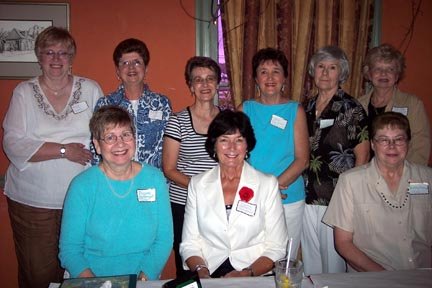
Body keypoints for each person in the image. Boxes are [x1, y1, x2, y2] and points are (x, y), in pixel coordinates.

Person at [2, 26, 103, 288]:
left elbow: (106, 134)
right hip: (34, 204)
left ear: (72, 57)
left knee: (81, 272)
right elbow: (13, 143)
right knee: (38, 275)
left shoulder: (90, 89)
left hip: (83, 201)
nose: (56, 59)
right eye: (49, 52)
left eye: (63, 53)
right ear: (39, 56)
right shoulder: (24, 93)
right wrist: (63, 150)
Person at [59, 106, 173, 280]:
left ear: (135, 139)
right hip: (92, 278)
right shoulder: (81, 186)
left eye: (126, 135)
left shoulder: (154, 179)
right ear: (97, 145)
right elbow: (70, 250)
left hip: (143, 278)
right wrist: (96, 284)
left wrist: (143, 279)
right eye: (110, 137)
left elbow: (164, 239)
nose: (120, 143)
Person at [180, 110, 288, 278]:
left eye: (239, 140)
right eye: (224, 140)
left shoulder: (267, 184)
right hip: (209, 270)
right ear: (214, 145)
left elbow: (277, 246)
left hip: (254, 271)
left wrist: (247, 273)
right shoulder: (197, 184)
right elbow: (189, 244)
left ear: (247, 145)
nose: (231, 148)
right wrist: (202, 271)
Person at [323, 112, 432, 271]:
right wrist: (385, 278)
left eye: (399, 139)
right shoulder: (351, 181)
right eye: (383, 140)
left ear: (408, 142)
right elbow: (343, 243)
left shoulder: (428, 178)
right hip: (374, 278)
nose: (392, 146)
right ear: (373, 145)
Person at [302, 46, 370, 275]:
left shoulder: (353, 109)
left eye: (332, 68)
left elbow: (363, 156)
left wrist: (355, 195)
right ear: (313, 71)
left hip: (338, 197)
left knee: (333, 263)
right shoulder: (306, 107)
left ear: (341, 73)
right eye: (321, 67)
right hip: (306, 195)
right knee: (311, 261)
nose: (325, 73)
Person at [239, 47, 309, 260]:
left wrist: (273, 189)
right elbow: (234, 155)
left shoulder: (295, 110)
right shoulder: (245, 109)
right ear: (255, 79)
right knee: (253, 257)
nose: (270, 77)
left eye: (276, 71)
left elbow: (302, 159)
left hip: (289, 197)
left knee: (285, 260)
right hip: (251, 196)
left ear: (285, 78)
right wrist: (265, 192)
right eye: (263, 71)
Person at [162, 56, 220, 277]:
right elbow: (169, 168)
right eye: (198, 79)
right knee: (189, 266)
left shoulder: (228, 120)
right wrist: (201, 188)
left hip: (220, 203)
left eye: (210, 79)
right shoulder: (177, 121)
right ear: (190, 85)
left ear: (217, 83)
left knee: (219, 262)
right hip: (183, 204)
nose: (204, 85)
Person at [92, 38, 172, 168]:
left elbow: (168, 147)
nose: (131, 68)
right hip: (115, 177)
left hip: (151, 177)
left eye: (137, 62)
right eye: (125, 63)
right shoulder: (106, 103)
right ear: (118, 71)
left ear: (146, 69)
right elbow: (96, 148)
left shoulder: (162, 103)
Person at [358, 43, 430, 165]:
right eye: (378, 69)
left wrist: (407, 176)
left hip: (401, 173)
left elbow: (420, 146)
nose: (384, 74)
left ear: (397, 75)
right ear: (369, 74)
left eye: (390, 69)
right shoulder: (358, 104)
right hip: (365, 175)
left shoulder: (413, 104)